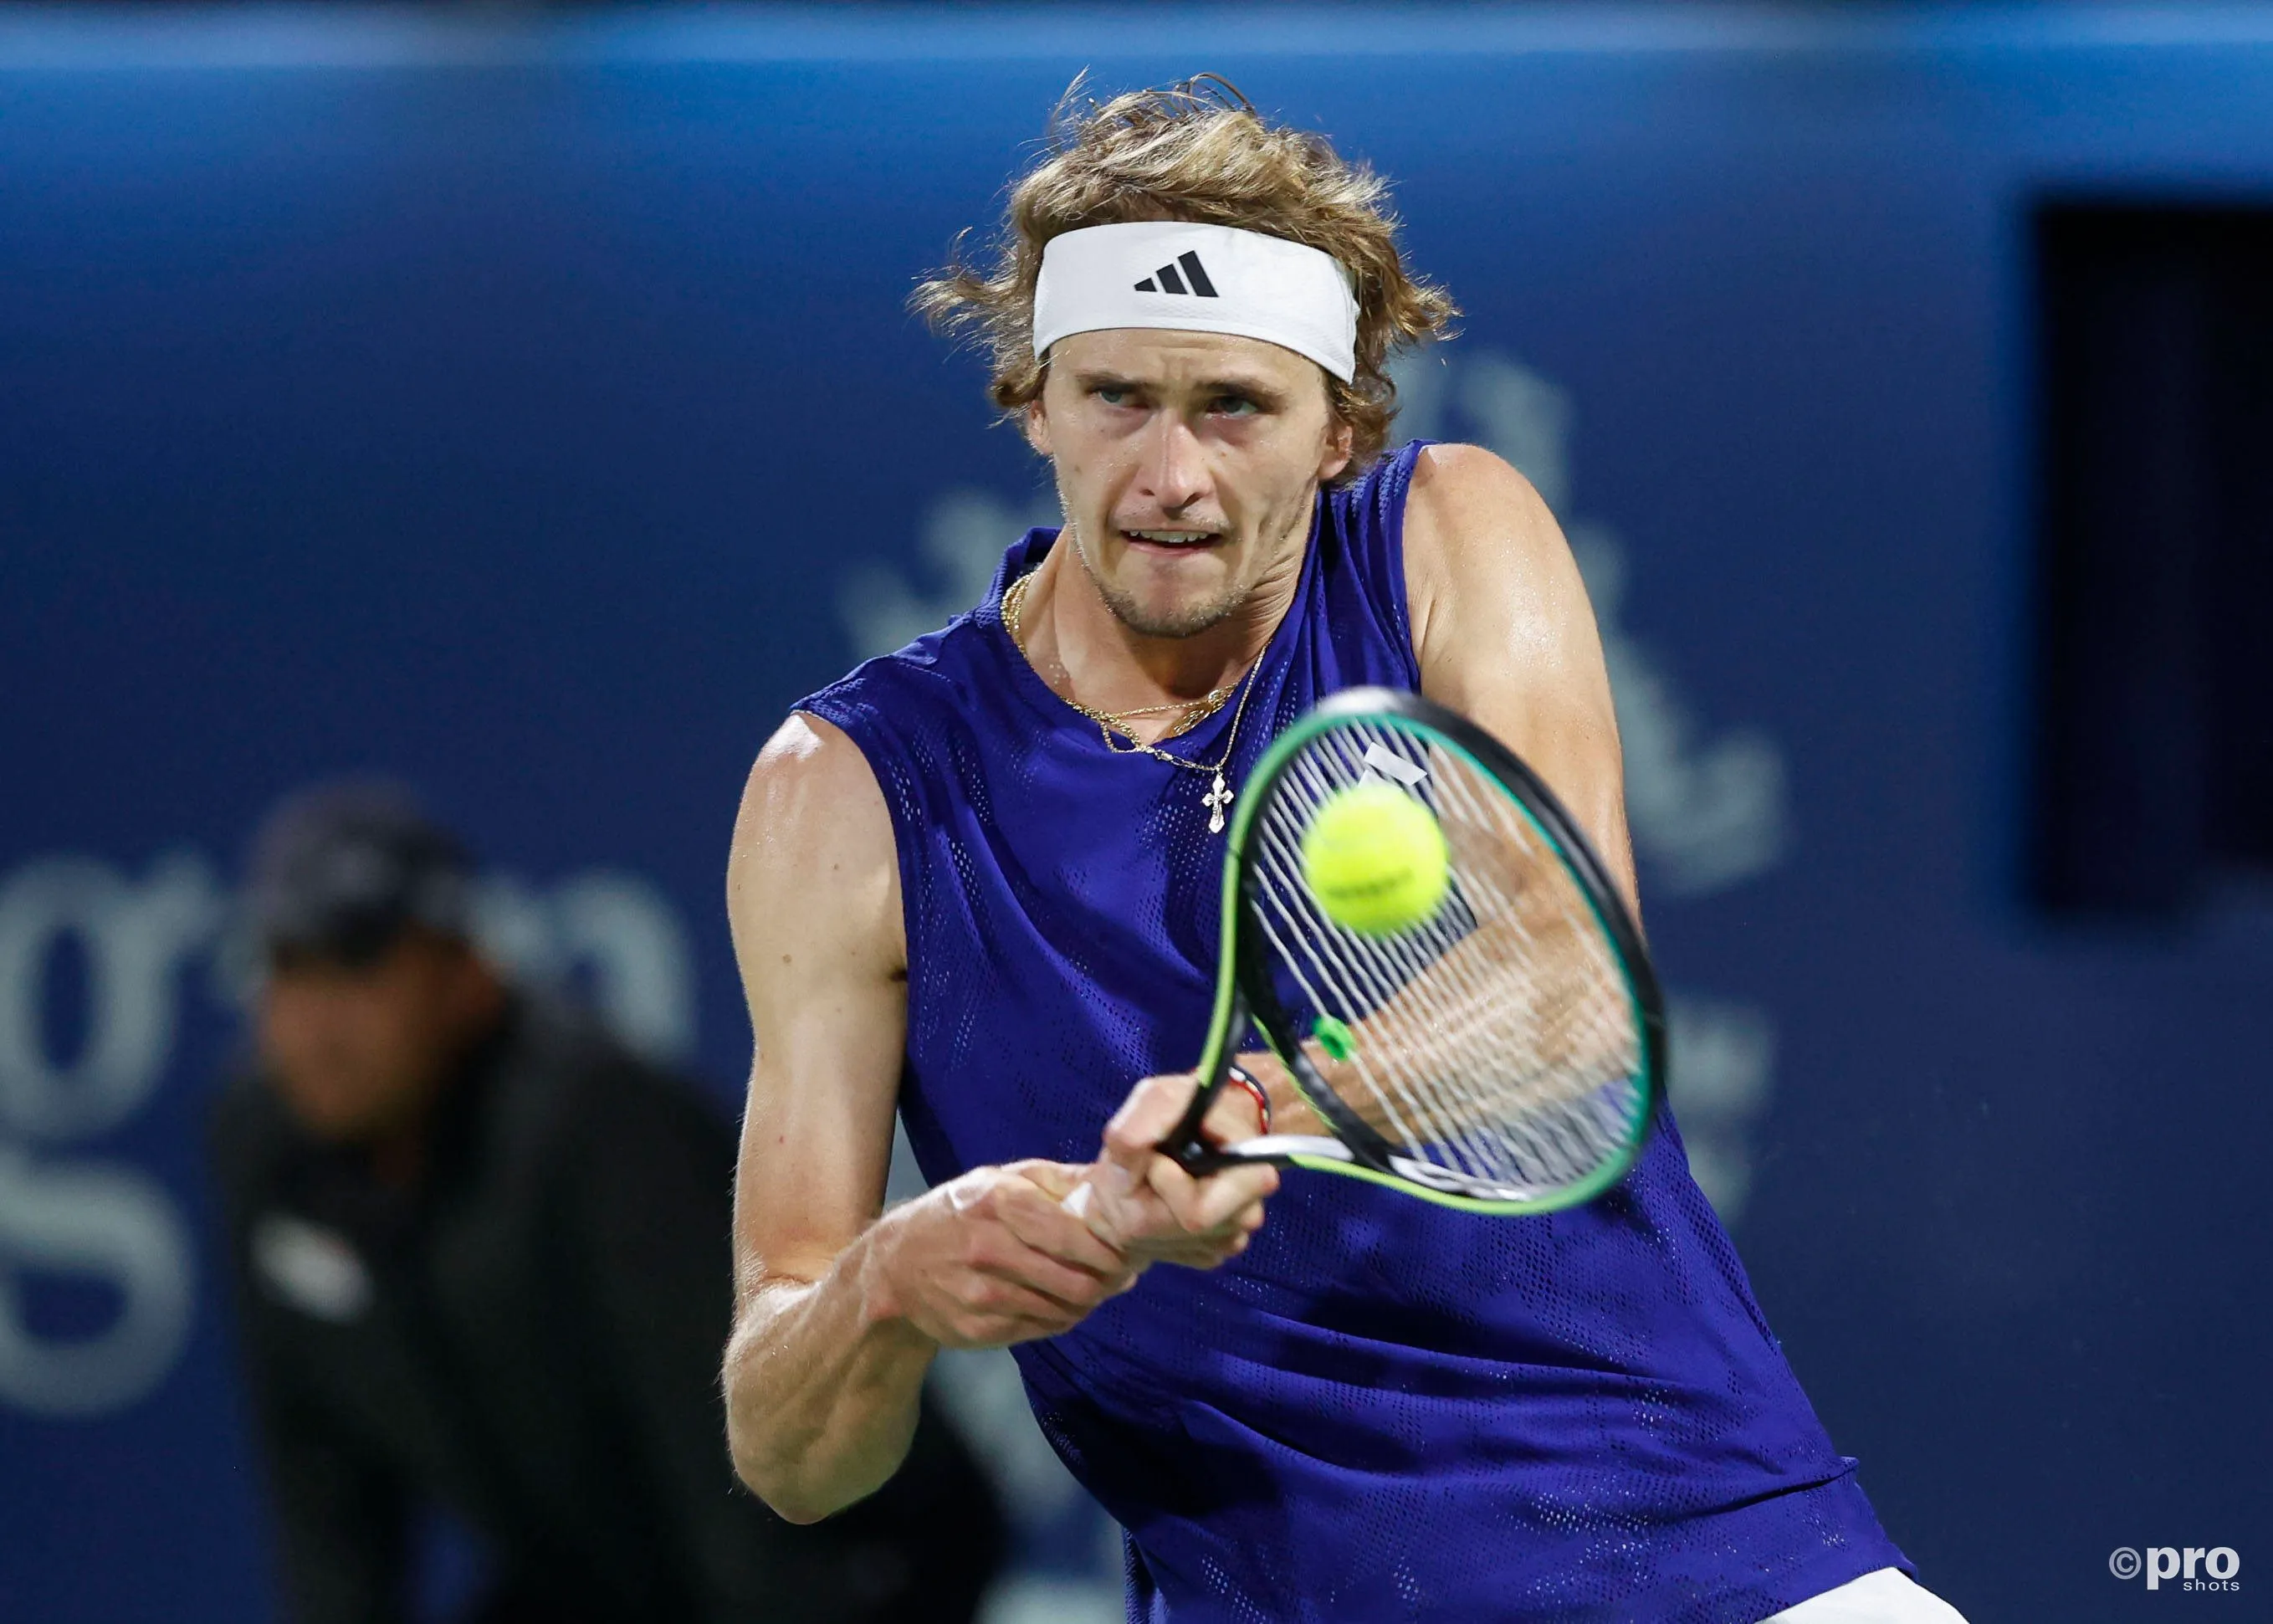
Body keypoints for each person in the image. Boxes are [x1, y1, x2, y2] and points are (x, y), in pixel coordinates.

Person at [721, 80, 1964, 1623]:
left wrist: (1250, 1109)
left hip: (1712, 1562)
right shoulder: (842, 790)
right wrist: (887, 1289)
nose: (1168, 475)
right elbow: (788, 1455)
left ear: (1344, 427)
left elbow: (1577, 998)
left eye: (1234, 407)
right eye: (1114, 397)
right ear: (1032, 399)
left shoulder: (1448, 537)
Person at [211, 782, 1002, 1624]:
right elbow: (325, 1504)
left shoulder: (597, 1135)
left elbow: (739, 1498)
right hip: (607, 1580)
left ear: (466, 975)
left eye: (359, 967)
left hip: (852, 1564)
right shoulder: (265, 1151)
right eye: (291, 969)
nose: (319, 1023)